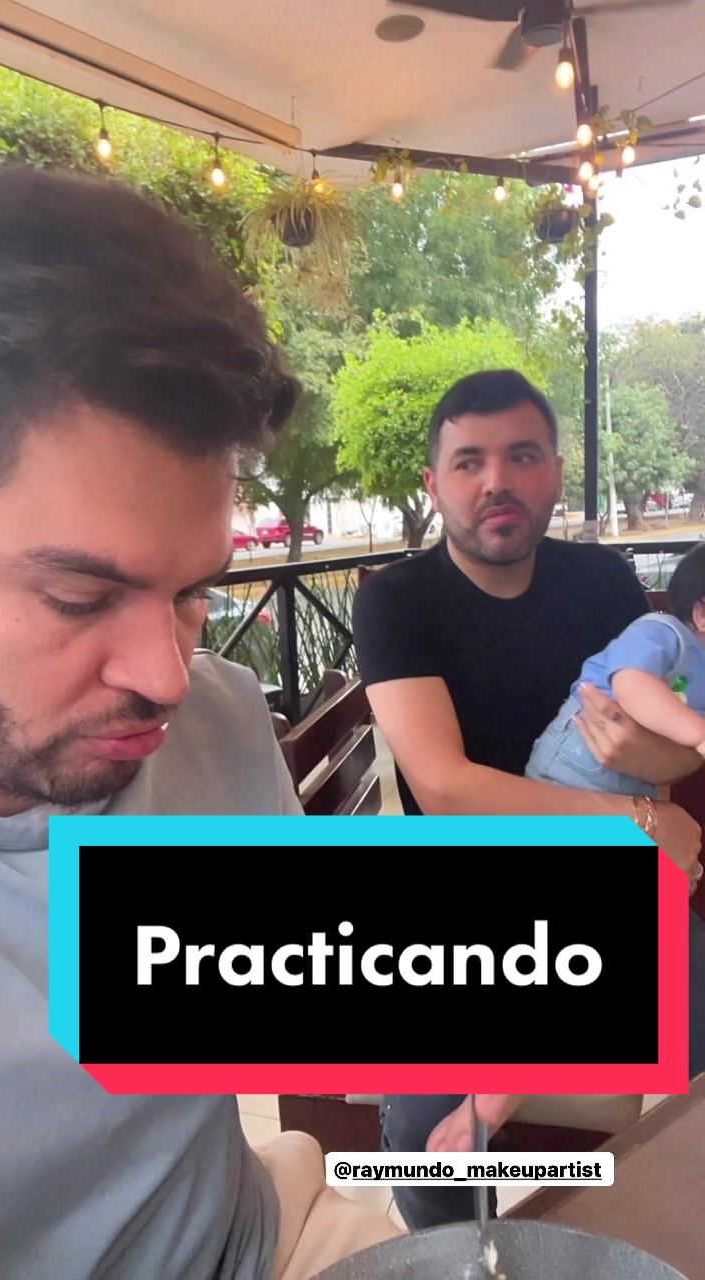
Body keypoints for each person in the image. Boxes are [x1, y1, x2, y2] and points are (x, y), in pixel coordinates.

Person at [0, 163, 400, 1279]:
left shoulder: (212, 718)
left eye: (192, 591)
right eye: (79, 597)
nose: (168, 674)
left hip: (275, 1237)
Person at [352, 368, 705, 1232]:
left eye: (521, 456)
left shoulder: (603, 582)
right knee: (428, 1121)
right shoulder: (397, 600)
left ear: (555, 473)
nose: (496, 481)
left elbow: (654, 745)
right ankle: (454, 1257)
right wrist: (642, 825)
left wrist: (649, 796)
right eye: (469, 462)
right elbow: (446, 787)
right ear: (434, 483)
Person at [526, 541, 705, 800]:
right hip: (568, 770)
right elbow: (631, 687)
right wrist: (699, 735)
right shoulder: (663, 632)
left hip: (629, 787)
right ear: (701, 614)